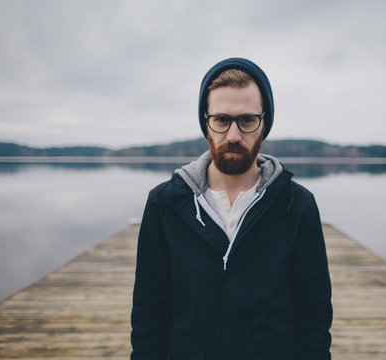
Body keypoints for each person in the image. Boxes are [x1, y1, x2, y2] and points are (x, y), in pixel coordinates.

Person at [131, 58, 333, 360]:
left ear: (264, 123)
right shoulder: (165, 204)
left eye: (247, 120)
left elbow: (314, 317)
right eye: (222, 120)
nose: (234, 135)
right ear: (206, 123)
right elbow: (149, 315)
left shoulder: (297, 205)